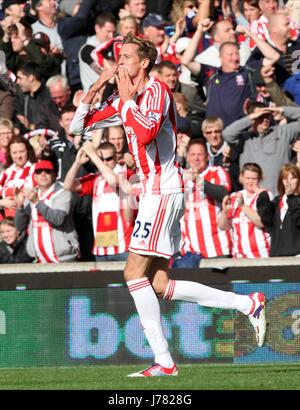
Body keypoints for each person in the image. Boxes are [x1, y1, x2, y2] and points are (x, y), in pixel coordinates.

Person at [69, 33, 267, 377]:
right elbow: (77, 126)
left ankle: (164, 361)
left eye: (127, 57)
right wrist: (97, 87)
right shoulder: (123, 98)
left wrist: (126, 100)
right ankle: (247, 303)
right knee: (158, 284)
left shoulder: (157, 92)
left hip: (164, 191)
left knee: (132, 273)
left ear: (144, 63)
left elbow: (144, 134)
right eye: (119, 58)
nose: (120, 64)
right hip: (152, 193)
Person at [64, 141, 135, 261]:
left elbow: (113, 180)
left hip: (123, 248)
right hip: (101, 249)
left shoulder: (126, 173)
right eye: (101, 159)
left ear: (117, 158)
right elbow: (68, 185)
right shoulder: (96, 179)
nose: (104, 162)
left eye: (108, 159)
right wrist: (77, 163)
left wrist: (94, 155)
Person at [223, 102, 300, 195]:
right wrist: (250, 118)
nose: (264, 119)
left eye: (267, 116)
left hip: (280, 197)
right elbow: (227, 134)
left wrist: (281, 110)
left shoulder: (283, 132)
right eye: (260, 117)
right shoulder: (244, 139)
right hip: (253, 198)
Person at [14, 159, 79, 263]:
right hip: (40, 260)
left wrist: (36, 201)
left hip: (63, 259)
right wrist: (20, 207)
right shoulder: (31, 193)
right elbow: (19, 227)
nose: (43, 175)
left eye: (47, 171)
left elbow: (57, 219)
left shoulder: (63, 193)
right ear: (35, 176)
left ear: (54, 175)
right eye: (39, 172)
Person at [218, 162, 272, 258]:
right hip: (239, 255)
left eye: (254, 179)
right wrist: (225, 212)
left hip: (261, 254)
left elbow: (260, 222)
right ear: (241, 178)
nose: (250, 182)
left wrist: (242, 206)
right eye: (247, 178)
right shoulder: (234, 196)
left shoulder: (265, 195)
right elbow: (223, 226)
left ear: (259, 179)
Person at [256, 163, 300, 256]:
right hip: (277, 255)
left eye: (292, 178)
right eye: (285, 178)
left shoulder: (297, 200)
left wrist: (291, 198)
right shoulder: (276, 201)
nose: (288, 182)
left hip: (296, 256)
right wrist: (263, 201)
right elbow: (267, 223)